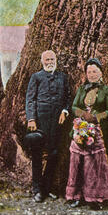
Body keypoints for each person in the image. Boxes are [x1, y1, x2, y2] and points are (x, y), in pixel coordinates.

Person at [65, 58, 108, 210]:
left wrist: (96, 117)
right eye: (89, 72)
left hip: (99, 129)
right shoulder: (81, 89)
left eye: (94, 71)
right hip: (82, 127)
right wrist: (84, 115)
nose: (91, 74)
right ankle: (75, 195)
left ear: (100, 73)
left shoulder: (107, 90)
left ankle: (95, 197)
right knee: (76, 161)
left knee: (95, 164)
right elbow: (74, 106)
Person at [25, 50, 71, 203]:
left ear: (56, 60)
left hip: (57, 123)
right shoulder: (36, 77)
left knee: (54, 153)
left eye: (52, 59)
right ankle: (37, 189)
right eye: (47, 59)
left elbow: (68, 97)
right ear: (42, 61)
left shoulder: (62, 77)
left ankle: (47, 187)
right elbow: (30, 99)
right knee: (37, 155)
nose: (50, 62)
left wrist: (65, 111)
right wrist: (31, 119)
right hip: (40, 121)